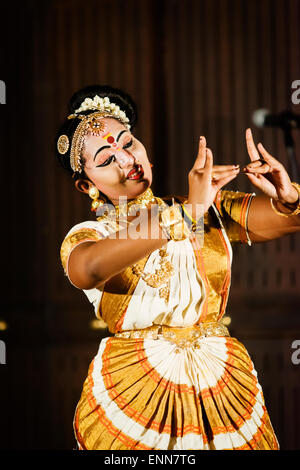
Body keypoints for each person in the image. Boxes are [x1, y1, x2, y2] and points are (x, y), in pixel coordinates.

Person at [56, 85, 300, 450]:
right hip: (138, 387)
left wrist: (289, 197)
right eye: (106, 159)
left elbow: (286, 218)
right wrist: (186, 214)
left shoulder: (202, 207)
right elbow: (86, 270)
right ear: (85, 184)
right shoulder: (94, 234)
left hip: (218, 380)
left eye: (128, 143)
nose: (126, 159)